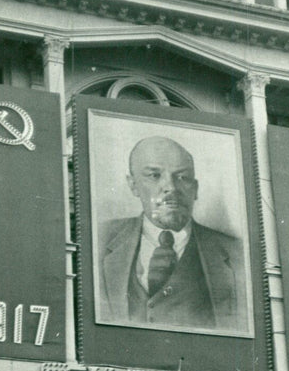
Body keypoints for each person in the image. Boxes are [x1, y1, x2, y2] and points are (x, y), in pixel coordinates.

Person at [97, 136, 249, 331]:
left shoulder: (236, 253)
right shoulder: (100, 239)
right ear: (133, 185)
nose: (171, 187)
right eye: (154, 175)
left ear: (195, 189)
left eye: (182, 177)